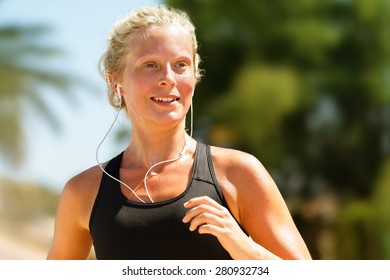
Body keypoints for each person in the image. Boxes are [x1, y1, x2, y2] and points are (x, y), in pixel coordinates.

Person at [47, 5, 311, 260]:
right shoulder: (83, 192)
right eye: (150, 65)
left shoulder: (237, 173)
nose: (168, 78)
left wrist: (244, 247)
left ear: (195, 77)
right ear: (115, 80)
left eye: (181, 64)